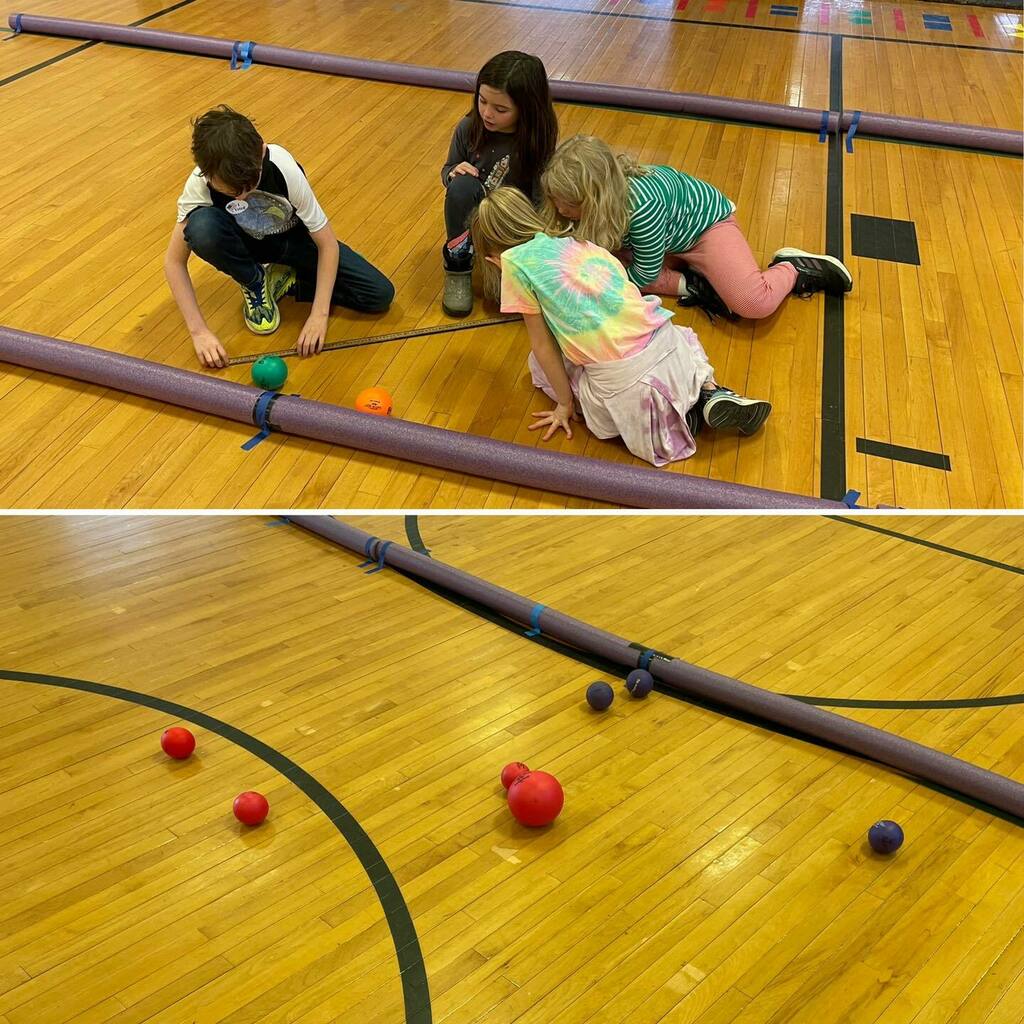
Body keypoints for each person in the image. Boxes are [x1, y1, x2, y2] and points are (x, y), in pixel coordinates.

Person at [471, 187, 772, 466]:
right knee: (681, 337)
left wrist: (564, 405)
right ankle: (706, 391)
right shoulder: (576, 241)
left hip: (626, 383)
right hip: (666, 342)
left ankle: (674, 419)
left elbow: (543, 346)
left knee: (538, 366)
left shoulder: (513, 264)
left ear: (493, 256)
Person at [165, 105, 394, 368]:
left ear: (261, 151)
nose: (241, 197)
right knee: (202, 227)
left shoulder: (281, 166)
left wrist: (319, 315)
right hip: (249, 248)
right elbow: (173, 263)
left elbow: (327, 244)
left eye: (248, 187)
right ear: (205, 173)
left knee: (379, 294)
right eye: (231, 192)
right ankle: (254, 280)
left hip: (294, 242)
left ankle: (287, 279)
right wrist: (199, 333)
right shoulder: (199, 184)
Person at [541, 134, 852, 323]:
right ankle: (697, 283)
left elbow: (645, 274)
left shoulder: (642, 206)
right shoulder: (594, 204)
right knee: (594, 264)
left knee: (753, 303)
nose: (560, 210)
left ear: (597, 198)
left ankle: (793, 269)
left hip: (705, 230)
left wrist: (602, 289)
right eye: (555, 200)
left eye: (568, 204)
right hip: (663, 240)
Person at [440, 51, 558, 318]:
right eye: (482, 101)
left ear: (526, 109)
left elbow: (542, 202)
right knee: (460, 187)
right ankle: (458, 268)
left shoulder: (537, 140)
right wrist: (452, 174)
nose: (487, 113)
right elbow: (447, 169)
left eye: (500, 109)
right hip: (476, 217)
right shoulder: (469, 127)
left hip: (515, 224)